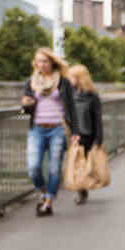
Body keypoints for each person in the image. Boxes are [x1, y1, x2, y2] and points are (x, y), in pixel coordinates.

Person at [21, 47, 75, 217]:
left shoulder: (63, 82)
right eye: (39, 61)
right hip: (37, 128)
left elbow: (72, 108)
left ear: (52, 62)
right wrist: (26, 104)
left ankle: (49, 202)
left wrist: (76, 131)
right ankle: (43, 192)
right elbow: (27, 107)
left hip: (57, 129)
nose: (42, 64)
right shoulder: (31, 82)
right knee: (33, 167)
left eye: (45, 61)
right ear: (35, 63)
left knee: (54, 168)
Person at [67, 64, 104, 206]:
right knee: (77, 164)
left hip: (88, 134)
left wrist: (99, 139)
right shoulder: (68, 95)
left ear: (79, 78)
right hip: (74, 134)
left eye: (71, 77)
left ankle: (83, 189)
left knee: (84, 165)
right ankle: (81, 190)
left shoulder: (92, 96)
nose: (69, 80)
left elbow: (97, 118)